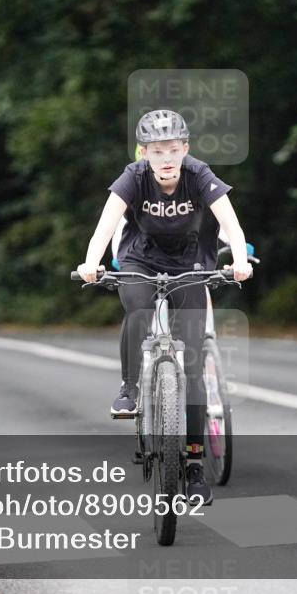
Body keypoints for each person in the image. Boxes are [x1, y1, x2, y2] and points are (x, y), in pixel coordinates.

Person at [77, 109, 252, 505]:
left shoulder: (199, 174)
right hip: (140, 260)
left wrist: (240, 261)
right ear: (144, 153)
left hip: (190, 263)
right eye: (157, 151)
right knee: (138, 308)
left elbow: (232, 225)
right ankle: (129, 388)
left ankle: (194, 467)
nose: (167, 158)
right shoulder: (133, 177)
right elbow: (105, 226)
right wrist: (91, 262)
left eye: (173, 149)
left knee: (192, 367)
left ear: (185, 149)